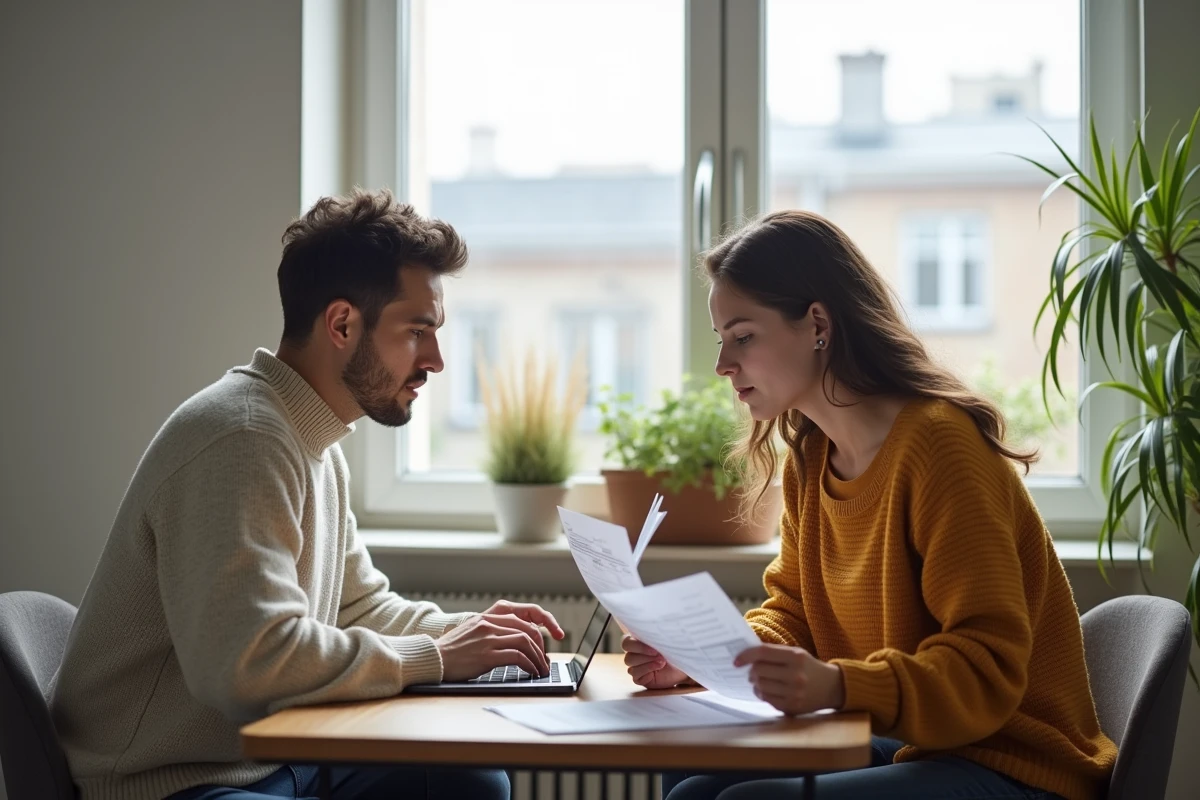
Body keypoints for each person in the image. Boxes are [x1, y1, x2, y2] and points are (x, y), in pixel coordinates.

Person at [51, 189, 563, 800]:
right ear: (342, 323)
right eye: (418, 331)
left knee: (469, 782)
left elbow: (357, 609)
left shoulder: (311, 440)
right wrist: (437, 656)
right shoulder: (241, 439)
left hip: (266, 765)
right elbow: (249, 665)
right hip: (171, 783)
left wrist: (475, 635)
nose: (436, 360)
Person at [621, 210, 1117, 800]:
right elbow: (795, 615)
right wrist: (703, 659)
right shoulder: (810, 457)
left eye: (743, 336)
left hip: (1014, 764)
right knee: (691, 783)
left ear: (817, 325)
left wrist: (835, 686)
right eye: (721, 340)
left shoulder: (939, 446)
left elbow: (987, 668)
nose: (723, 365)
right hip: (919, 745)